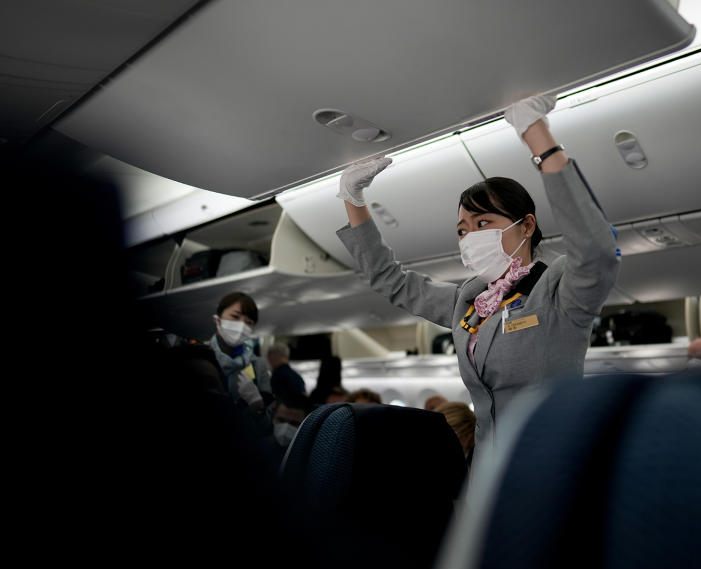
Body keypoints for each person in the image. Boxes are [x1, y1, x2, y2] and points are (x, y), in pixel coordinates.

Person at [335, 95, 619, 454]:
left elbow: (597, 250)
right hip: (487, 470)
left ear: (527, 224)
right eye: (462, 229)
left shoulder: (559, 290)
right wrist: (352, 199)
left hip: (551, 463)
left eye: (483, 222)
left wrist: (536, 135)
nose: (470, 236)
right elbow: (391, 281)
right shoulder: (467, 302)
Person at [208, 291, 272, 411]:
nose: (241, 326)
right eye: (235, 317)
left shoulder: (258, 365)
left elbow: (267, 423)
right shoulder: (198, 358)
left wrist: (256, 403)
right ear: (217, 320)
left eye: (249, 322)